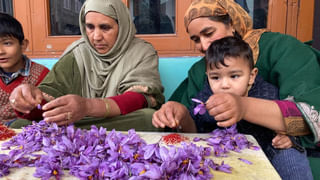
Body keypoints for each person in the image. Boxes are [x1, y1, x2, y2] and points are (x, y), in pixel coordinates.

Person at [152, 0, 319, 179]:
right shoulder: (202, 69)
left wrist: (244, 106)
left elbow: (309, 114)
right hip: (225, 155)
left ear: (232, 24)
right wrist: (179, 113)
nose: (204, 45)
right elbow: (194, 122)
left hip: (275, 147)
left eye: (209, 33)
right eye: (196, 39)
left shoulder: (280, 48)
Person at [9, 0, 164, 131]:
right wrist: (27, 99)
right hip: (76, 123)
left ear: (122, 25)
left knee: (148, 118)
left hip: (118, 121)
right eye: (90, 27)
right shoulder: (78, 53)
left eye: (105, 27)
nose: (96, 37)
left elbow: (141, 99)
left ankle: (78, 137)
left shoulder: (141, 52)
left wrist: (87, 107)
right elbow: (49, 98)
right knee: (21, 125)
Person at [190, 36, 312, 178]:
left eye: (234, 76)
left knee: (289, 153)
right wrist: (183, 115)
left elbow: (286, 119)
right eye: (215, 77)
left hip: (269, 149)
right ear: (208, 77)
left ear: (252, 76)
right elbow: (196, 120)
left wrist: (289, 137)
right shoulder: (207, 94)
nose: (224, 85)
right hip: (226, 153)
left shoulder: (266, 92)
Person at [0, 13, 49, 126]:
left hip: (23, 135)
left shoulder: (41, 75)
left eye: (7, 43)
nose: (1, 51)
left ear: (23, 45)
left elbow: (46, 112)